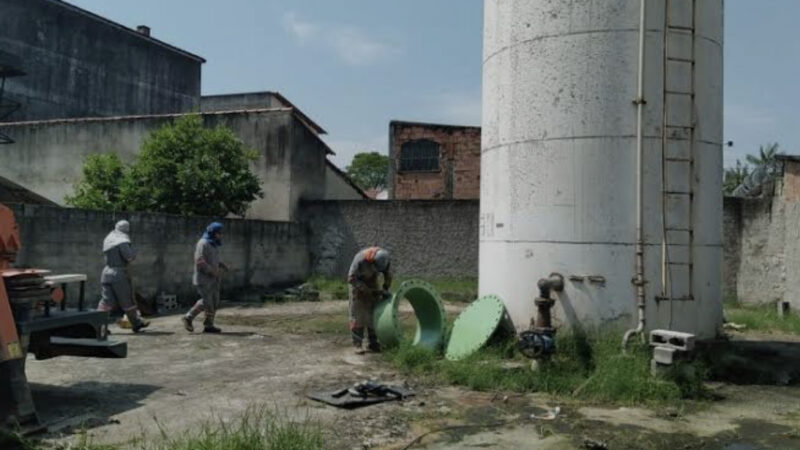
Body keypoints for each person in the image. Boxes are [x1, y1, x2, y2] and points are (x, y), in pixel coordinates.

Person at [97, 220, 150, 333]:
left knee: (106, 302)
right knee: (127, 300)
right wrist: (135, 250)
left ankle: (99, 326)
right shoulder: (122, 241)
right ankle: (136, 323)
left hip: (106, 272)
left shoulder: (109, 238)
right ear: (126, 229)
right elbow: (129, 257)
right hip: (119, 274)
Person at [182, 222, 228, 333]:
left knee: (214, 302)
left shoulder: (214, 244)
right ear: (213, 233)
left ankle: (207, 324)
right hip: (204, 279)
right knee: (208, 303)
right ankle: (191, 318)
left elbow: (212, 259)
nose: (220, 235)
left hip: (214, 279)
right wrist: (212, 271)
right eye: (219, 233)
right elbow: (200, 261)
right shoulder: (203, 243)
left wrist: (220, 264)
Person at [347, 246, 392, 354]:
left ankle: (373, 343)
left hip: (372, 280)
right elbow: (351, 278)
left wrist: (385, 288)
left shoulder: (384, 260)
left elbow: (387, 275)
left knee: (374, 312)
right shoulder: (360, 259)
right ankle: (357, 344)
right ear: (372, 261)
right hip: (358, 282)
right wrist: (366, 290)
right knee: (359, 314)